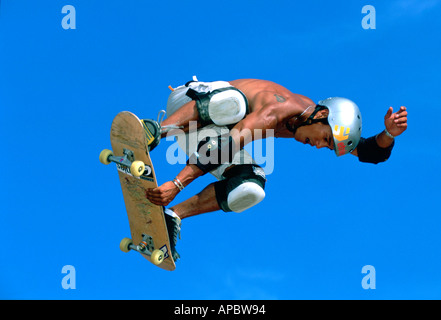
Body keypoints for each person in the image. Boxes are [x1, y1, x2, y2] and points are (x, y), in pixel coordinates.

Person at [141, 77, 408, 261]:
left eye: (325, 146)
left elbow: (371, 152)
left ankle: (172, 216)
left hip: (205, 137)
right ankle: (153, 130)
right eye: (325, 139)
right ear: (323, 116)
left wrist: (389, 133)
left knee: (251, 185)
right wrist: (177, 183)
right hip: (191, 105)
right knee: (233, 104)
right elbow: (233, 141)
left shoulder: (306, 122)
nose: (317, 146)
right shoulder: (281, 107)